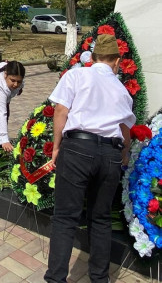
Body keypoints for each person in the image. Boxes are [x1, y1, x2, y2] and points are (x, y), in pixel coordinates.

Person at [44, 34, 136, 283]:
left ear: (93, 58)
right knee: (101, 219)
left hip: (77, 148)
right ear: (117, 61)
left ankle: (56, 279)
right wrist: (123, 155)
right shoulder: (122, 90)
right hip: (110, 153)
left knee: (65, 217)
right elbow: (125, 131)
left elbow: (61, 111)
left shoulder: (76, 75)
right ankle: (99, 278)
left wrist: (56, 147)